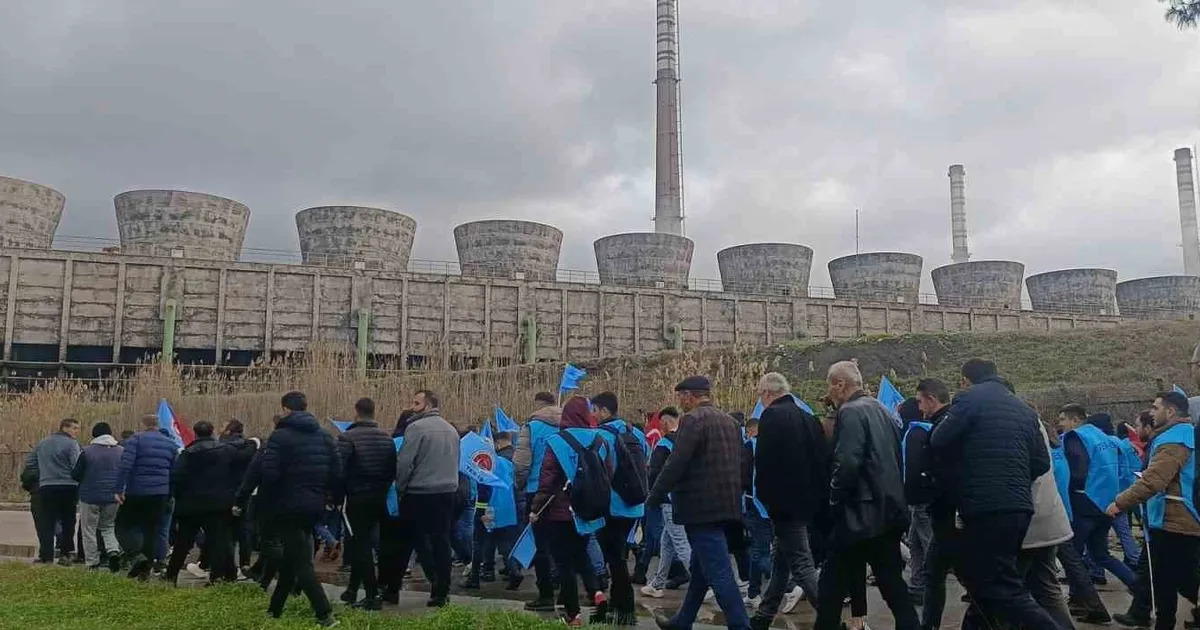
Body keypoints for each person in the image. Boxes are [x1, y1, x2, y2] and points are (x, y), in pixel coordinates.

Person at [929, 359, 1058, 630]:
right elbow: (1041, 463)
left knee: (1003, 587)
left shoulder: (968, 399)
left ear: (965, 380)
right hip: (1020, 508)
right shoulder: (1023, 408)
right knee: (986, 581)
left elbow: (939, 439)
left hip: (984, 507)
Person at [812, 361, 918, 630]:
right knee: (892, 585)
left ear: (840, 384)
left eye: (830, 384)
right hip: (888, 510)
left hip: (857, 515)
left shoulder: (850, 412)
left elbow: (847, 463)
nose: (829, 391)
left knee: (831, 589)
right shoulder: (882, 410)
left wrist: (834, 500)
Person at [651, 376, 751, 630]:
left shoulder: (692, 420)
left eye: (681, 397)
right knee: (700, 571)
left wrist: (655, 495)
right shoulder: (730, 422)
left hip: (700, 508)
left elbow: (677, 463)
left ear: (688, 396)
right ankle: (682, 622)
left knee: (719, 574)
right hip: (728, 506)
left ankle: (741, 626)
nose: (680, 402)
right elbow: (741, 464)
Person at [1108, 391, 1200, 630]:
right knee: (1168, 579)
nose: (1151, 412)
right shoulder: (1174, 436)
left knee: (1173, 582)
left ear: (1170, 412)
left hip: (1177, 520)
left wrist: (1120, 502)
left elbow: (1154, 480)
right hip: (1170, 519)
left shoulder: (1175, 440)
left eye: (1156, 407)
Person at [250, 391, 341, 627]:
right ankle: (274, 610)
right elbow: (337, 472)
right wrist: (332, 499)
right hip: (315, 505)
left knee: (301, 562)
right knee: (294, 556)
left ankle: (324, 614)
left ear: (286, 409)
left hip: (287, 505)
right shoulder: (325, 436)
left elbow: (269, 475)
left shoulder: (280, 436)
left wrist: (268, 505)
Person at [749, 373, 828, 629]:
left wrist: (765, 499)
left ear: (767, 393)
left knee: (802, 565)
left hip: (783, 504)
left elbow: (765, 463)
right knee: (781, 561)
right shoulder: (809, 418)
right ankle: (764, 615)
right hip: (807, 502)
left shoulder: (771, 417)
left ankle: (832, 617)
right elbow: (820, 462)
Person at [530, 396, 609, 627]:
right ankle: (596, 592)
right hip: (590, 511)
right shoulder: (600, 439)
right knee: (581, 554)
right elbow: (607, 474)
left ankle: (573, 615)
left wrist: (536, 509)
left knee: (564, 563)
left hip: (560, 513)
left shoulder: (556, 441)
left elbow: (547, 481)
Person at [1056, 405, 1137, 590]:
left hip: (1083, 501)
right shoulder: (1106, 438)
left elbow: (1077, 471)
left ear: (1075, 420)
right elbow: (1123, 468)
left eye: (1063, 419)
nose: (1060, 424)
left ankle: (1081, 599)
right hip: (1107, 502)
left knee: (1073, 556)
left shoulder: (1075, 437)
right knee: (1101, 553)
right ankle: (1137, 585)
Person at [393, 389, 460, 608]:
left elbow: (405, 463)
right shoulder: (451, 430)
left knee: (409, 541)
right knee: (442, 541)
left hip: (420, 492)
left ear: (428, 405)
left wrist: (400, 488)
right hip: (447, 490)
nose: (412, 407)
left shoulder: (416, 428)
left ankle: (392, 590)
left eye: (416, 402)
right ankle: (442, 590)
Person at [591, 391, 648, 625]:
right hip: (634, 505)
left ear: (604, 411)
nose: (593, 415)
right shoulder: (634, 432)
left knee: (615, 559)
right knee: (620, 554)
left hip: (613, 506)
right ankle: (617, 604)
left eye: (595, 410)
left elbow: (599, 472)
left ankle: (625, 610)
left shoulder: (601, 435)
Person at [333, 397, 395, 611]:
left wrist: (335, 498)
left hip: (356, 497)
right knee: (365, 542)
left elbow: (338, 471)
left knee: (360, 545)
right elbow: (391, 471)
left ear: (356, 412)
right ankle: (352, 590)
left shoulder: (347, 438)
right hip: (379, 497)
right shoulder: (387, 439)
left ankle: (371, 594)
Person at [165, 420, 238, 585]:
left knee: (183, 542)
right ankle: (217, 577)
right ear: (212, 432)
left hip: (191, 504)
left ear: (195, 433)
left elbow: (176, 476)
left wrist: (176, 496)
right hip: (218, 503)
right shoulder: (226, 451)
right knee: (219, 540)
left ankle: (171, 576)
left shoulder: (188, 453)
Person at [513, 391, 563, 611]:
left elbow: (522, 463)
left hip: (536, 491)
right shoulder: (567, 425)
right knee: (562, 544)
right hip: (562, 491)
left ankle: (545, 596)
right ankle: (566, 591)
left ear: (538, 405)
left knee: (539, 546)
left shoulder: (531, 427)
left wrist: (520, 484)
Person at [115, 414, 177, 580]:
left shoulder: (135, 440)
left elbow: (125, 466)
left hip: (137, 491)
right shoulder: (171, 444)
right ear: (158, 425)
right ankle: (145, 570)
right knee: (151, 530)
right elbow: (174, 473)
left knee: (122, 526)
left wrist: (119, 488)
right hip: (160, 494)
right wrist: (170, 494)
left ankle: (136, 555)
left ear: (143, 424)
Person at [643, 406, 693, 598]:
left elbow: (655, 472)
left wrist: (652, 495)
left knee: (680, 542)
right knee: (667, 542)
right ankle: (657, 583)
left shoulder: (664, 444)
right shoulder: (687, 441)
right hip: (685, 497)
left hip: (669, 499)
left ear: (664, 423)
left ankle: (703, 583)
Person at [465, 429, 523, 590]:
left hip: (489, 508)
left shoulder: (485, 464)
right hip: (507, 506)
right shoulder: (506, 462)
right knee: (504, 543)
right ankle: (514, 571)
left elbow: (483, 490)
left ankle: (474, 578)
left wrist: (482, 512)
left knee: (478, 543)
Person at [26, 418, 82, 566]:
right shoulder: (72, 444)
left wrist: (44, 473)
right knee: (68, 521)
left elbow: (31, 463)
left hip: (47, 485)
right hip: (68, 486)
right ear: (64, 427)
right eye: (74, 428)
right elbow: (76, 465)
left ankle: (46, 556)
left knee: (47, 522)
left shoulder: (43, 443)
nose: (77, 431)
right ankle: (65, 554)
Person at [72, 422, 123, 571]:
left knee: (88, 529)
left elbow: (76, 474)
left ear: (94, 435)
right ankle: (113, 550)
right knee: (108, 526)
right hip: (113, 496)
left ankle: (92, 561)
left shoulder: (87, 451)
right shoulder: (121, 451)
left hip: (90, 495)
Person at [220, 419, 258, 574]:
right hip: (245, 493)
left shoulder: (222, 448)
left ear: (228, 431)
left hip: (225, 492)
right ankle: (245, 564)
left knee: (225, 531)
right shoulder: (250, 448)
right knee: (245, 531)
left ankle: (227, 567)